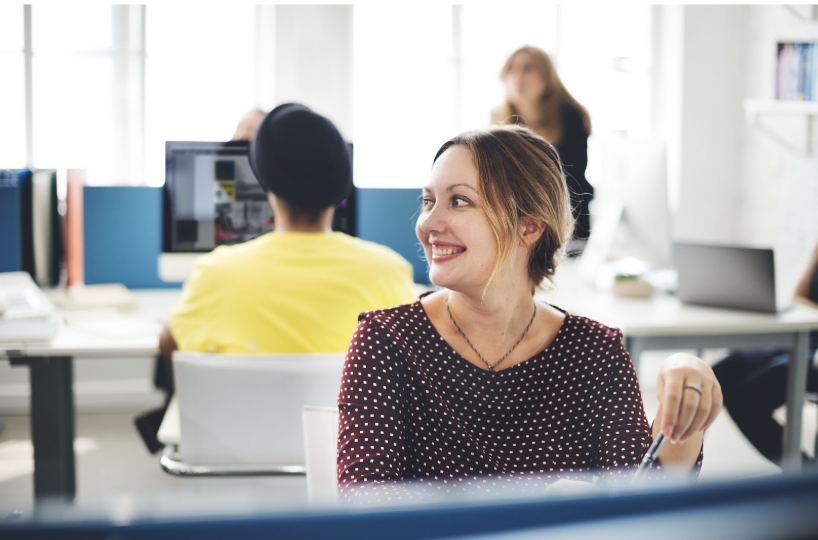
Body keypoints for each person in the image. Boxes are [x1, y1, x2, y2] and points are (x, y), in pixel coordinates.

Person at [337, 125, 721, 501]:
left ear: (529, 227)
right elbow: (366, 503)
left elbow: (640, 500)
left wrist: (689, 389)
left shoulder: (595, 354)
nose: (428, 224)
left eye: (459, 201)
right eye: (428, 201)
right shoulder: (386, 341)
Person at [136, 104, 416, 453]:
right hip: (348, 465)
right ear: (341, 186)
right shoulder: (387, 271)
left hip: (236, 464)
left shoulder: (217, 273)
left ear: (264, 181)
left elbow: (169, 345)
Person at [712, 241, 818, 465]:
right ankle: (680, 468)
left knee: (746, 399)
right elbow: (798, 297)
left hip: (813, 351)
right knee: (717, 375)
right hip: (808, 333)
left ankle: (802, 474)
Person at [491, 46, 594, 241]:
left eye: (528, 68)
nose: (517, 76)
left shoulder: (570, 117)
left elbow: (572, 182)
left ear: (547, 80)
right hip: (517, 226)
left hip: (567, 221)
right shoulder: (498, 121)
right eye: (511, 68)